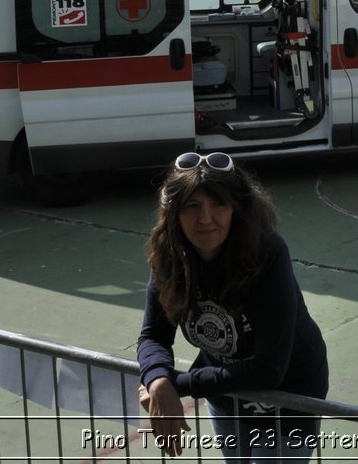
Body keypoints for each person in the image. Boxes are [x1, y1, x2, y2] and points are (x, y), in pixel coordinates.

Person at [139, 152, 329, 463]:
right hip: (226, 391)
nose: (205, 218)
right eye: (192, 205)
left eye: (218, 204)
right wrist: (158, 379)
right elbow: (154, 334)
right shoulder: (171, 255)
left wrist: (177, 385)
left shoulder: (267, 253)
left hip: (289, 394)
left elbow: (269, 369)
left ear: (236, 210)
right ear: (173, 212)